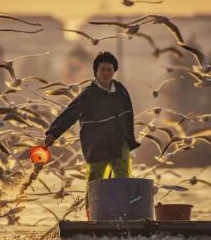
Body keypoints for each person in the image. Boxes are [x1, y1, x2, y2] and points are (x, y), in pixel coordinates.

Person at [44, 51, 141, 220]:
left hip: (120, 144)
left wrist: (129, 139)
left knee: (123, 180)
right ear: (95, 71)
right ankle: (93, 219)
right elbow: (70, 114)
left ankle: (124, 218)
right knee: (95, 184)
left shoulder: (121, 91)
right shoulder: (88, 95)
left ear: (114, 71)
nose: (105, 73)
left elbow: (128, 116)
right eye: (102, 69)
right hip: (97, 147)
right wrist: (53, 133)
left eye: (109, 70)